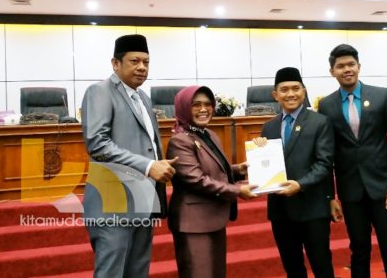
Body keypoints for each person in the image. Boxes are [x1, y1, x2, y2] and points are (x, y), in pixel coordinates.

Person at [81, 34, 177, 278]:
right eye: (135, 61)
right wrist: (148, 165)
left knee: (137, 272)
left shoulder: (143, 97)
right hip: (113, 204)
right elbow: (98, 144)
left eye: (146, 62)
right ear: (116, 63)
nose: (142, 67)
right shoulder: (100, 91)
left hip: (143, 201)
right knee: (112, 273)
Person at [317, 44, 387, 278]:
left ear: (359, 66)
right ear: (332, 71)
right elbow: (325, 155)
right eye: (340, 66)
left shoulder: (381, 96)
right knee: (359, 250)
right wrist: (330, 196)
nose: (347, 69)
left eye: (351, 64)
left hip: (384, 188)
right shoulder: (326, 105)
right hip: (351, 190)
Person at [166, 85, 257, 278]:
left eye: (208, 104)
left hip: (213, 218)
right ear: (184, 107)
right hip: (193, 222)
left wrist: (237, 170)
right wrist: (238, 191)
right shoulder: (179, 140)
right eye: (196, 104)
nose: (203, 109)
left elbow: (213, 169)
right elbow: (196, 179)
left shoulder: (209, 134)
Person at [254, 67, 336, 278]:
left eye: (295, 88)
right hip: (281, 211)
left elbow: (324, 163)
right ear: (275, 95)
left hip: (312, 208)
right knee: (292, 268)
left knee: (322, 266)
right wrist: (257, 153)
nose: (290, 94)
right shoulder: (268, 127)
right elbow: (267, 165)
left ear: (304, 91)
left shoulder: (320, 122)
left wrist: (300, 184)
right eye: (284, 90)